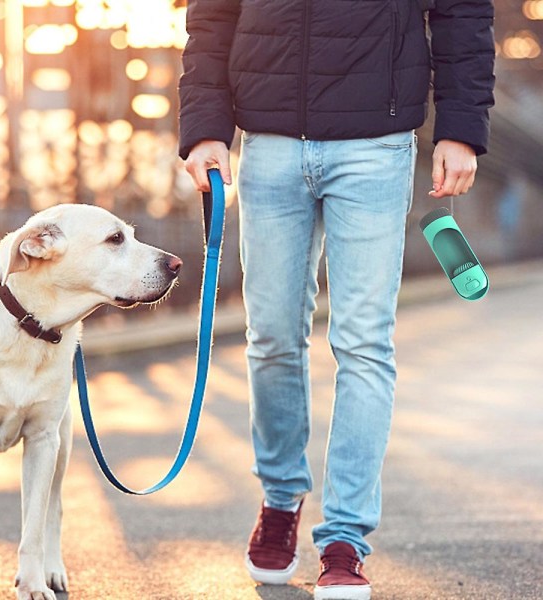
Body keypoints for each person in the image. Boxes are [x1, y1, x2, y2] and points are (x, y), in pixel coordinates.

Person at [178, 1, 495, 599]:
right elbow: (211, 18)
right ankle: (279, 499)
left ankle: (345, 539)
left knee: (364, 344)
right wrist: (204, 128)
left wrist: (460, 127)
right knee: (270, 338)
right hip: (267, 145)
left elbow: (462, 12)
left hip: (376, 146)